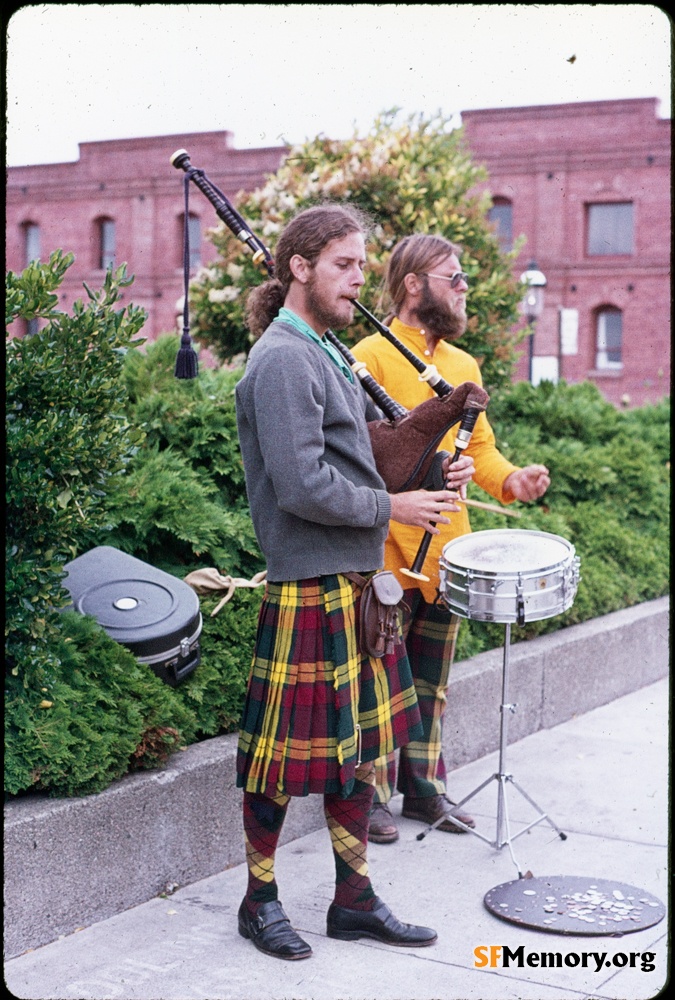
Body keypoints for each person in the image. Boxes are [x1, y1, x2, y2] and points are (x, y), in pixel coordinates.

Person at [234, 206, 464, 961]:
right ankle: (259, 898)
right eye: (343, 264)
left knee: (358, 748)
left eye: (364, 265)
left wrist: (437, 465)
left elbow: (374, 455)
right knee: (281, 757)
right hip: (308, 583)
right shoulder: (281, 360)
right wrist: (391, 507)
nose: (359, 278)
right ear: (298, 267)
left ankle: (352, 898)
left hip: (353, 582)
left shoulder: (328, 352)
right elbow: (301, 485)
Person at [351, 233, 550, 844]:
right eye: (453, 277)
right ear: (414, 284)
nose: (464, 287)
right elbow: (361, 453)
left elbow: (481, 451)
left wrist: (510, 480)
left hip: (448, 550)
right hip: (388, 548)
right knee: (380, 676)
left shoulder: (462, 366)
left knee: (432, 683)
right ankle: (370, 797)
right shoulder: (369, 354)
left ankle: (425, 790)